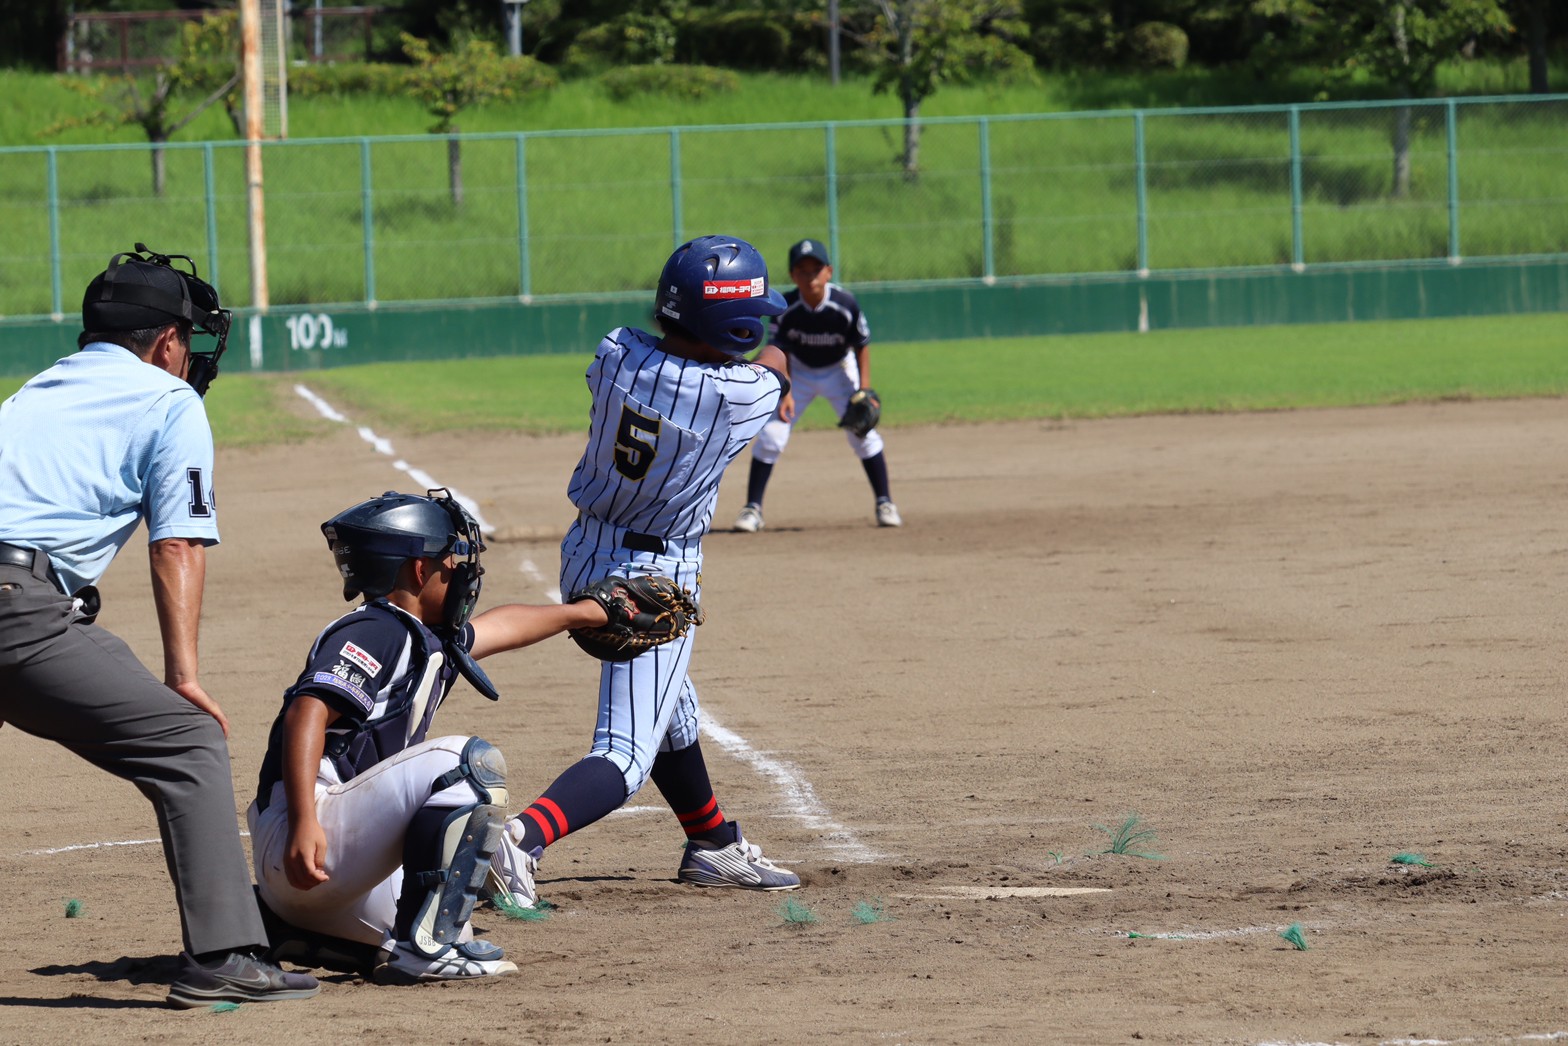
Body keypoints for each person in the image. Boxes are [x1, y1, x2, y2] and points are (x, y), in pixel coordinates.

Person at [0, 245, 320, 1008]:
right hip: (17, 609)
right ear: (167, 341)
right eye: (186, 339)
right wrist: (184, 677)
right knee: (186, 740)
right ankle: (223, 957)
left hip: (26, 604)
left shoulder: (32, 392)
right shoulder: (169, 401)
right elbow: (175, 541)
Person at [486, 235, 803, 910]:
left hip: (585, 555)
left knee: (672, 709)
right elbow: (774, 368)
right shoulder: (733, 395)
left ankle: (712, 842)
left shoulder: (617, 351)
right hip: (652, 578)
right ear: (734, 325)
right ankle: (517, 841)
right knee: (626, 755)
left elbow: (702, 347)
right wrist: (789, 332)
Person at [247, 489, 616, 984]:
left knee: (443, 915)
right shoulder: (376, 629)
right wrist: (304, 821)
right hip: (306, 837)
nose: (461, 571)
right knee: (466, 765)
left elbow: (500, 627)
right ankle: (425, 951)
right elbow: (307, 711)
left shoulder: (421, 633)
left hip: (316, 871)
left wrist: (588, 613)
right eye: (450, 560)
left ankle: (291, 928)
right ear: (419, 571)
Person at [733, 237, 901, 532]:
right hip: (798, 373)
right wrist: (785, 392)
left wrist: (864, 390)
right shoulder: (786, 308)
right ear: (792, 275)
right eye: (802, 270)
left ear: (829, 272)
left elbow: (861, 345)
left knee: (863, 433)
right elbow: (780, 351)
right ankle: (752, 509)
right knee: (772, 436)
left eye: (816, 269)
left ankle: (885, 502)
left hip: (838, 370)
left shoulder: (844, 304)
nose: (810, 276)